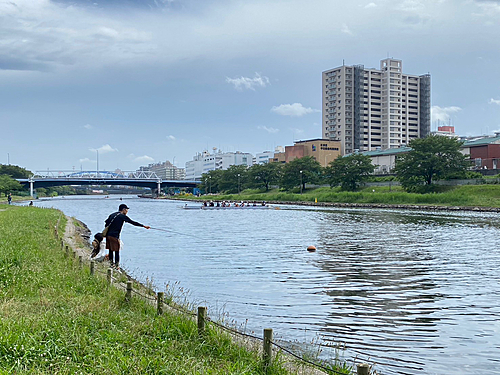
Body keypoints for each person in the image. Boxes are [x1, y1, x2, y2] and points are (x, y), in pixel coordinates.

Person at [104, 204, 150, 269]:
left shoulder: (112, 215)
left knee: (111, 250)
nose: (127, 211)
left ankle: (111, 265)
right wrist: (143, 226)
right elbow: (132, 222)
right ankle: (117, 266)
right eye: (127, 210)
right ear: (124, 210)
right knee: (117, 251)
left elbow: (106, 223)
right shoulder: (122, 216)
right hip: (114, 236)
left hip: (108, 235)